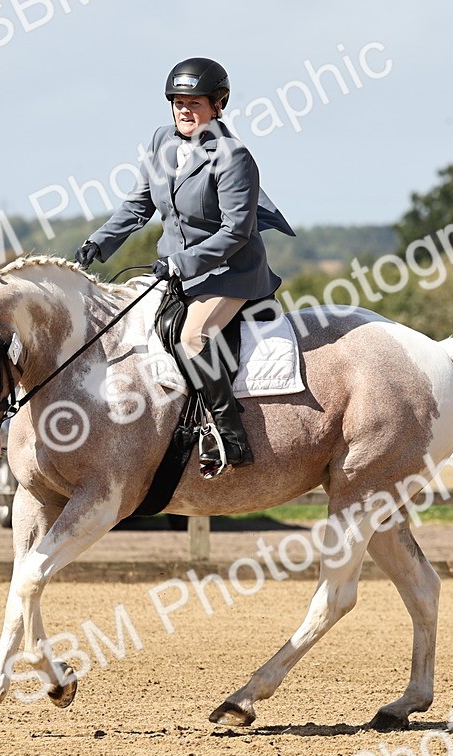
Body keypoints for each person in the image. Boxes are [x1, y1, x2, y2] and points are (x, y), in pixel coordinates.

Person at [75, 57, 295, 479]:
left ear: (218, 104)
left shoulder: (234, 157)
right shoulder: (162, 141)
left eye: (194, 102)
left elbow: (235, 232)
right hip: (177, 270)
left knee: (194, 337)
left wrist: (180, 262)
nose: (184, 110)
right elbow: (139, 205)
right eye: (177, 102)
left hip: (231, 272)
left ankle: (228, 435)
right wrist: (99, 242)